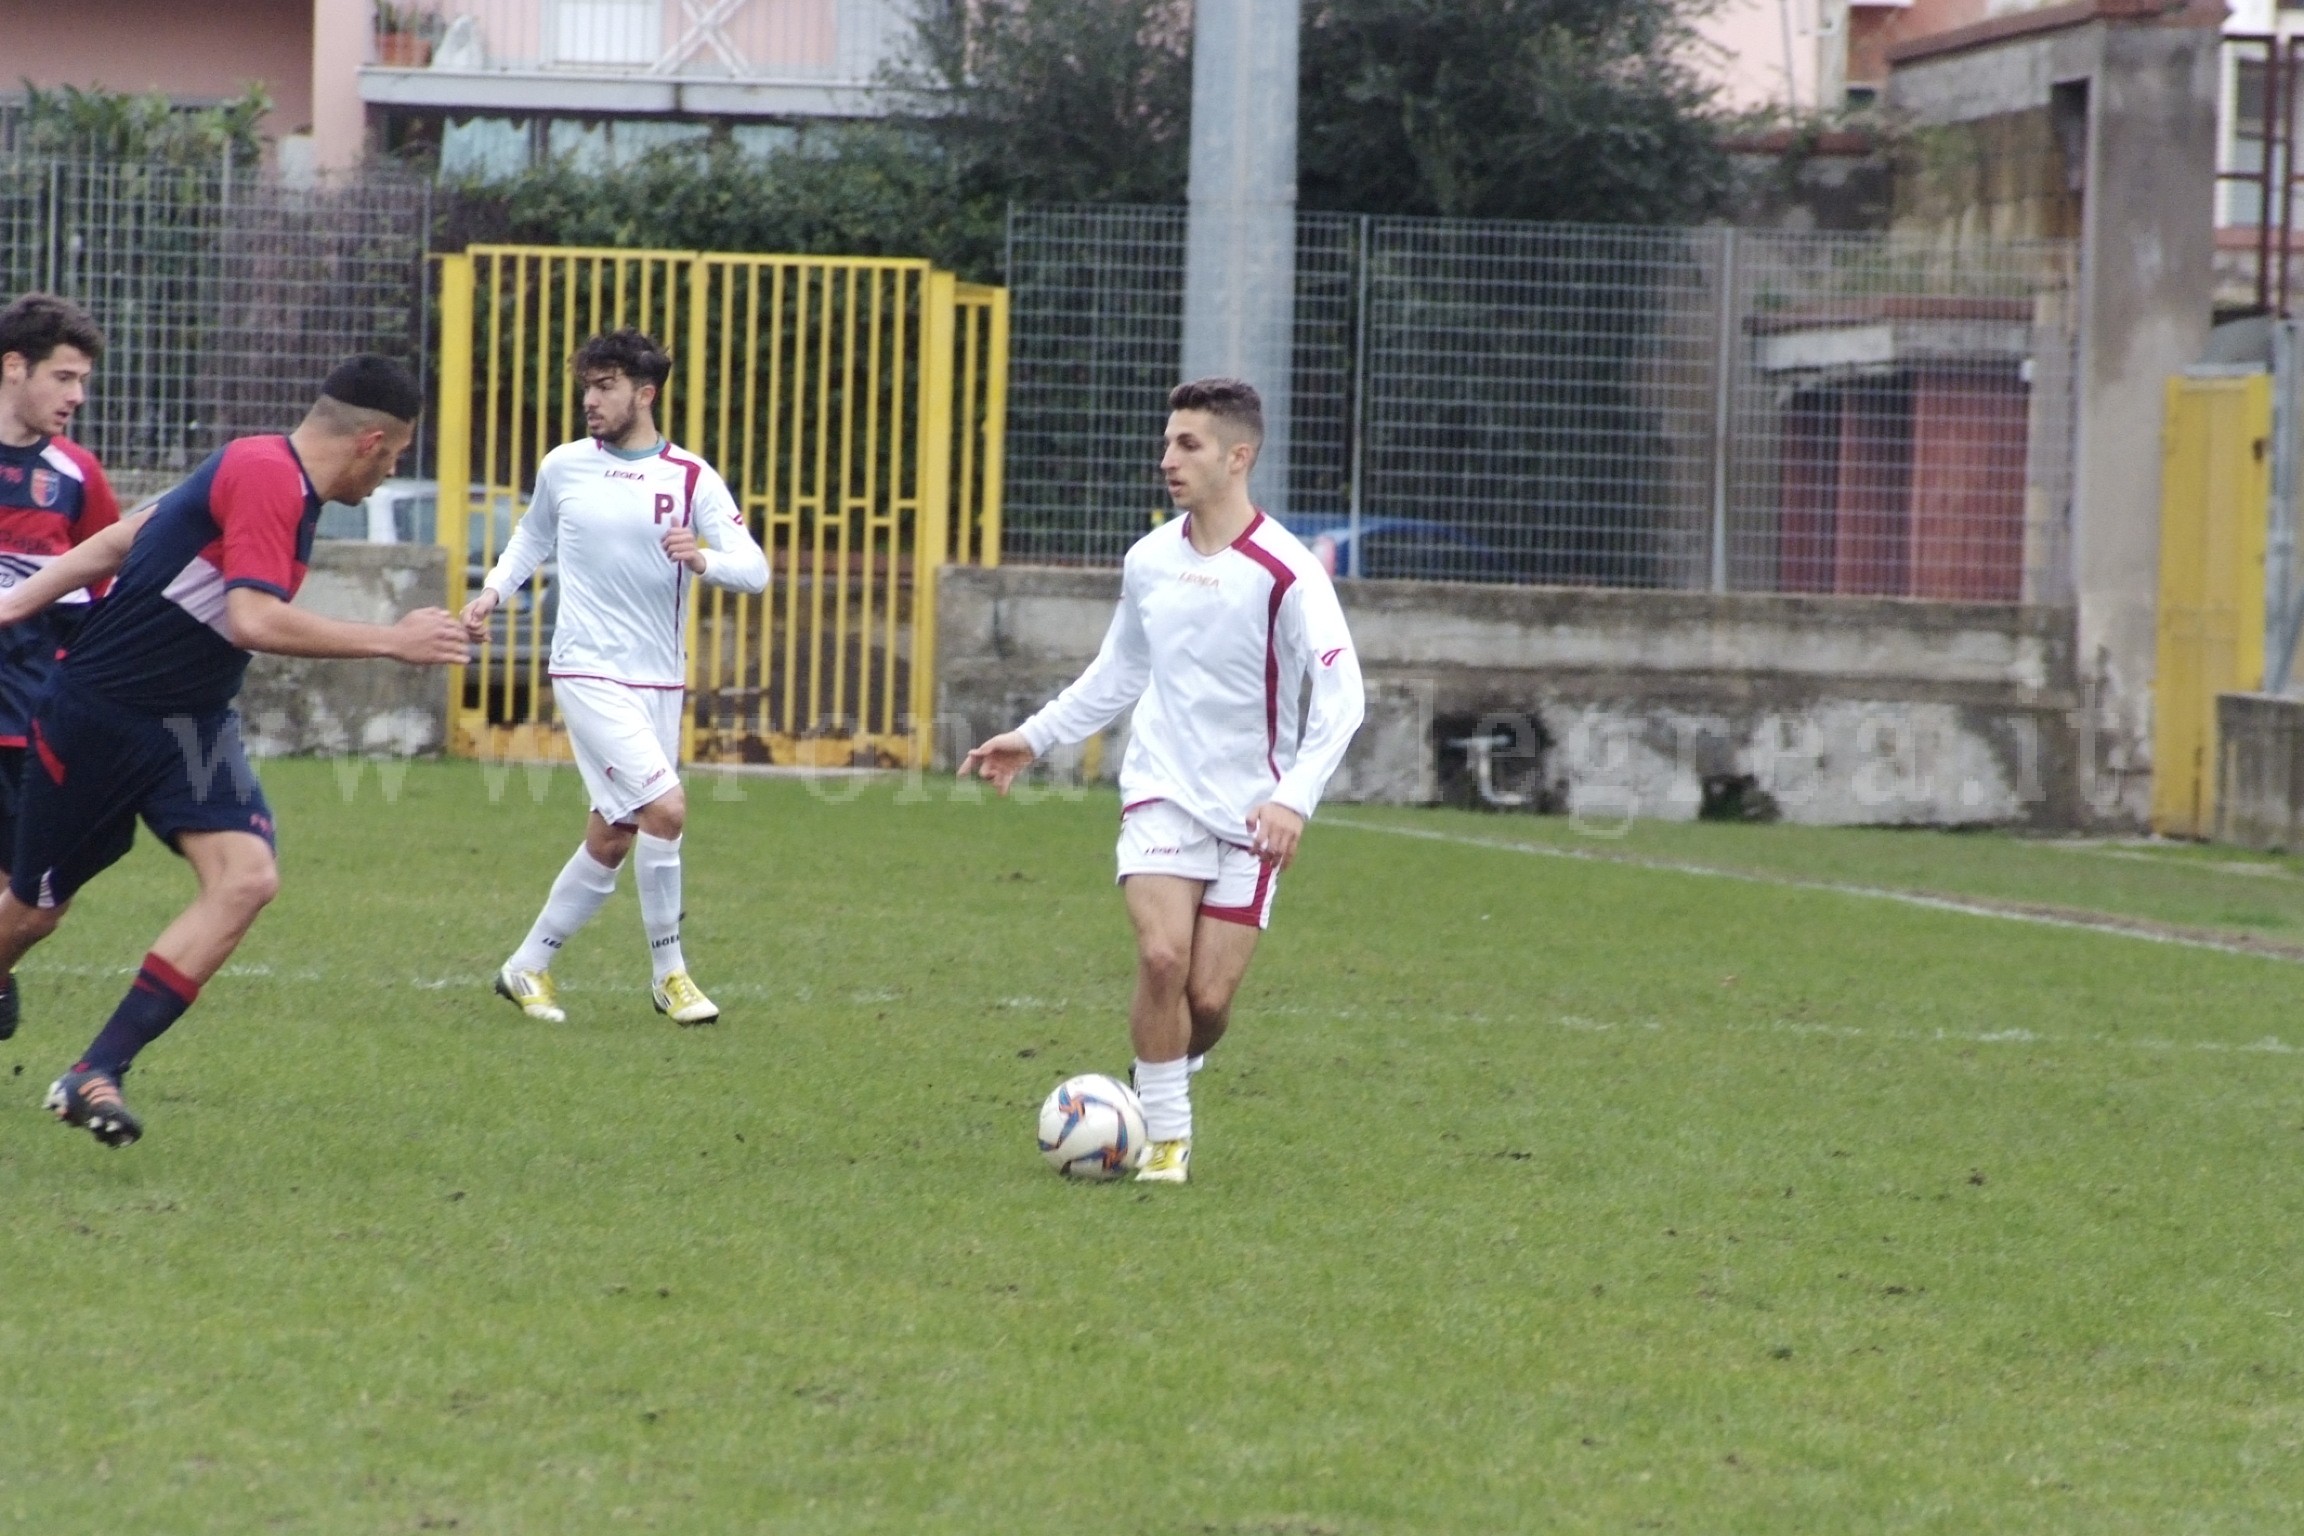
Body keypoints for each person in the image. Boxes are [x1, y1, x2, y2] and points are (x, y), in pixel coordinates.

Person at [0, 354, 470, 1147]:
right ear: (371, 440)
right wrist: (393, 641)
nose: (390, 474)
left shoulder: (278, 482)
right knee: (31, 913)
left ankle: (94, 1072)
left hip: (191, 726)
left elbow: (120, 539)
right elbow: (252, 619)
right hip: (99, 720)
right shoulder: (265, 473)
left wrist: (10, 603)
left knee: (248, 879)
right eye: (395, 456)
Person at [960, 378, 1366, 1184]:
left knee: (1208, 1005)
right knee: (1159, 959)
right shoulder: (1149, 559)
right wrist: (1034, 738)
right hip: (1160, 791)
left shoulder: (1287, 570)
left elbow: (1344, 692)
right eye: (1168, 442)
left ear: (1238, 456)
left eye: (1189, 445)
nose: (1167, 459)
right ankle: (1167, 1142)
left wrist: (1294, 798)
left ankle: (1161, 1072)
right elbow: (1119, 672)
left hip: (1253, 813)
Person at [461, 329, 767, 1027]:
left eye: (604, 388)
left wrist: (704, 559)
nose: (590, 401)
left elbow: (754, 568)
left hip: (659, 681)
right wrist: (493, 592)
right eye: (586, 388)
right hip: (586, 667)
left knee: (614, 834)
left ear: (644, 394)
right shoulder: (565, 466)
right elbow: (533, 534)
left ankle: (526, 965)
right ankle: (672, 976)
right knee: (668, 809)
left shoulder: (691, 477)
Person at [0, 294, 122, 1040]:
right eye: (65, 377)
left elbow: (107, 591)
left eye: (83, 381)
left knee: (37, 893)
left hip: (31, 719)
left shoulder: (75, 476)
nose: (77, 396)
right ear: (15, 368)